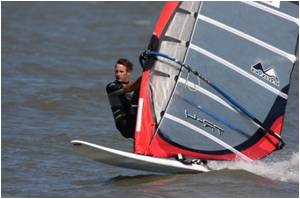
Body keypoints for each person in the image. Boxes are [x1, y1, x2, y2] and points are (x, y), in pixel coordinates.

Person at [106, 58, 141, 138]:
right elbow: (128, 89)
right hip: (124, 123)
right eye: (116, 71)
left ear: (128, 73)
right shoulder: (112, 87)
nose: (118, 74)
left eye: (121, 72)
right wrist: (145, 76)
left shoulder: (136, 87)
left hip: (135, 119)